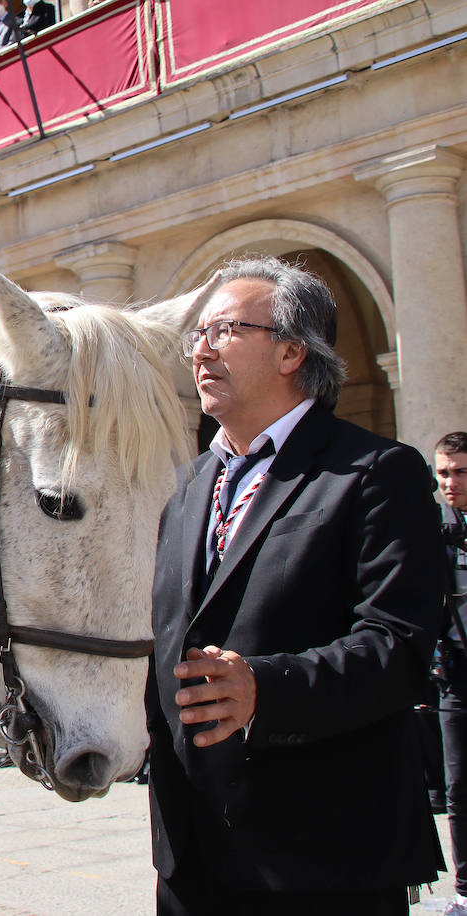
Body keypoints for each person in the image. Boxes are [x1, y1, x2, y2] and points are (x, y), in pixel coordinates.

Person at [146, 257, 444, 914]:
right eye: (198, 333)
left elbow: (398, 649)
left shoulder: (373, 474)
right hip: (191, 852)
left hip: (321, 854)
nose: (200, 349)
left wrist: (266, 691)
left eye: (224, 330)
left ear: (290, 351)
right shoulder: (189, 486)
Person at [436, 432, 467, 916]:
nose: (450, 482)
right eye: (443, 472)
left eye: (460, 472)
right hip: (455, 680)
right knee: (459, 788)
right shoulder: (430, 530)